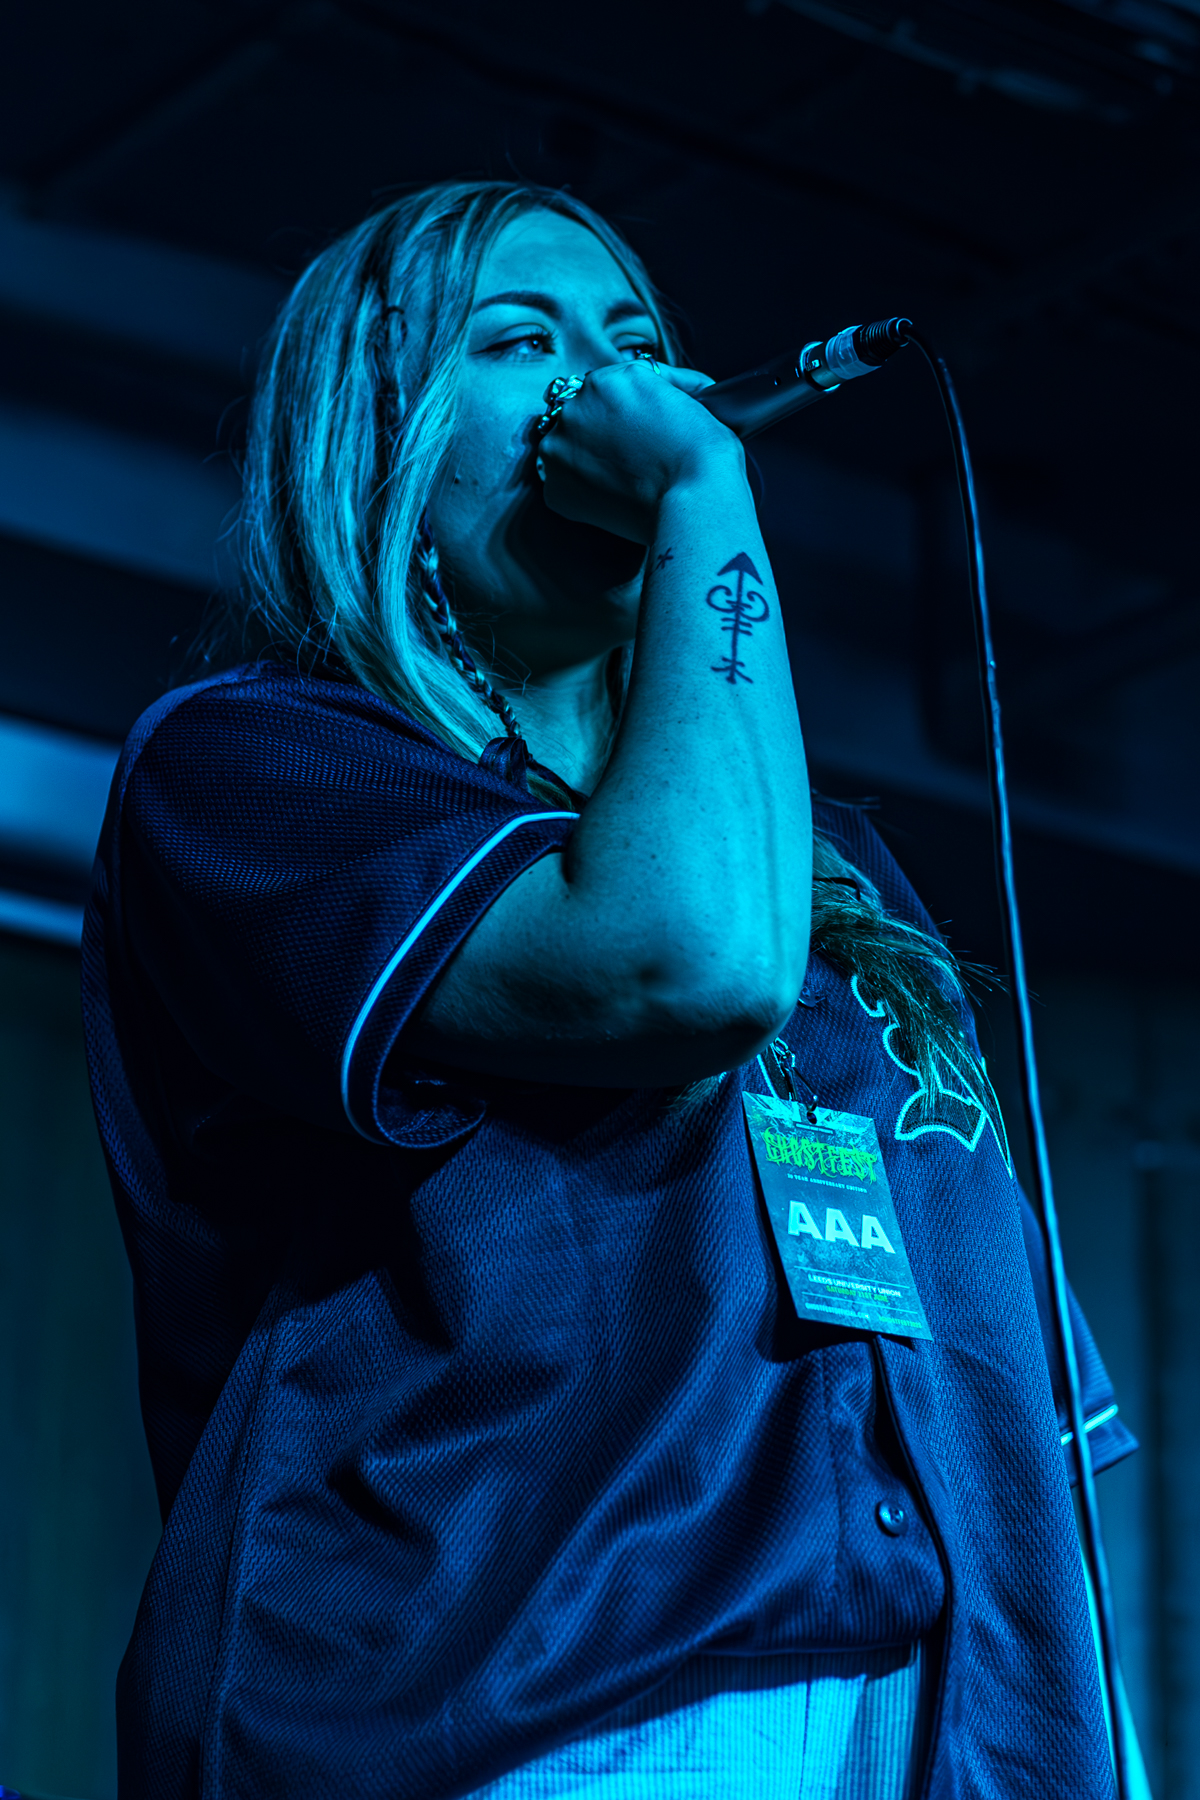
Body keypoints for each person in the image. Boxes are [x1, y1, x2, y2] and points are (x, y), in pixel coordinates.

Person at [83, 180, 1132, 1799]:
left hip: (945, 1719)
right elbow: (684, 965)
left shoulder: (829, 872)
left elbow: (1013, 1384)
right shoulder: (257, 771)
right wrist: (710, 493)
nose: (605, 382)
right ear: (374, 441)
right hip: (523, 1708)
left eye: (635, 342)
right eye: (520, 342)